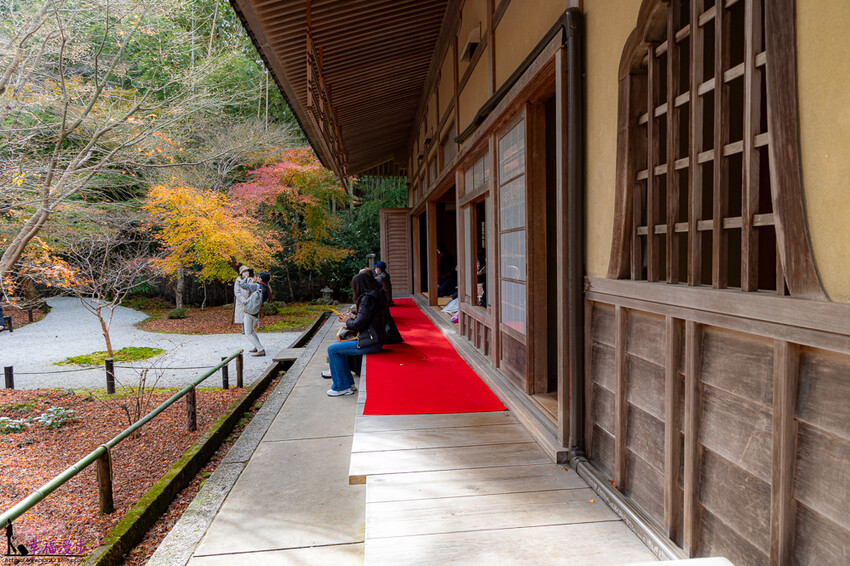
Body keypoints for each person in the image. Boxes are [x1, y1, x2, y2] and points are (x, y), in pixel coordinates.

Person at [325, 271, 387, 396]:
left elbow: (358, 325)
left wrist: (348, 320)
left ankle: (341, 386)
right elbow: (364, 320)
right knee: (337, 349)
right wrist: (353, 317)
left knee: (332, 349)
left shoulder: (367, 299)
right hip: (373, 338)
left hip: (371, 342)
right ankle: (347, 384)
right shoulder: (374, 296)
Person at [238, 271, 271, 357]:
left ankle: (260, 350)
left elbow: (242, 285)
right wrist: (253, 282)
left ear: (260, 278)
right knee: (251, 330)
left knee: (248, 332)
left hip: (250, 312)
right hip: (257, 313)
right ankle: (257, 347)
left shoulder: (257, 286)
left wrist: (245, 277)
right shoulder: (266, 288)